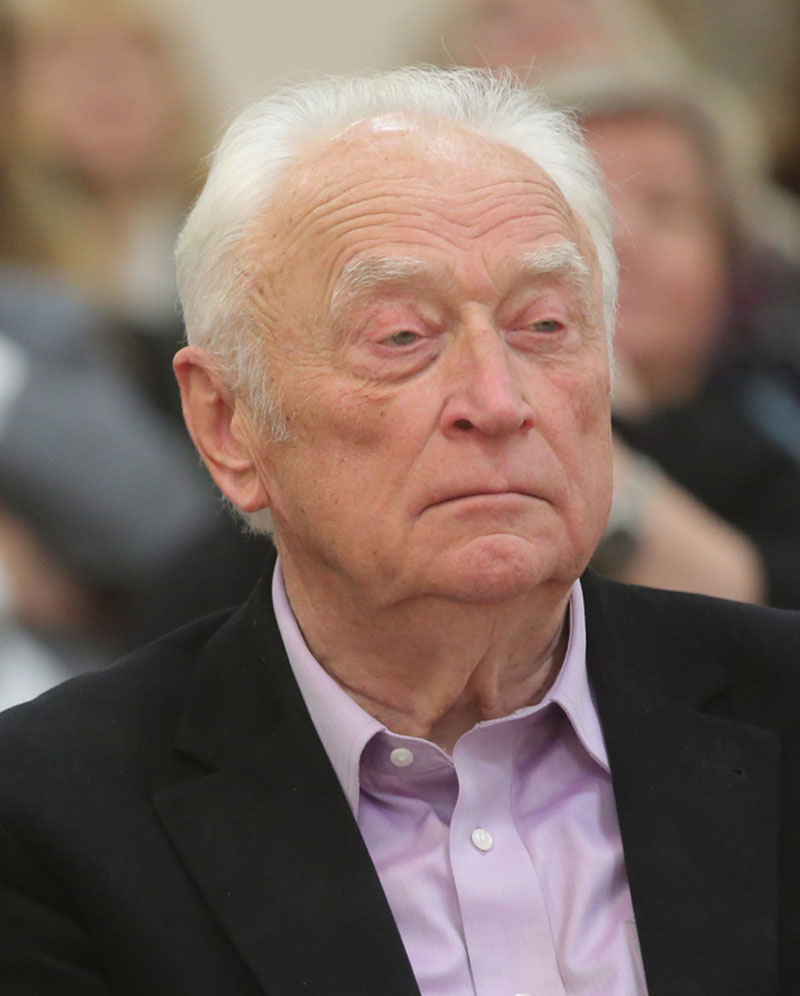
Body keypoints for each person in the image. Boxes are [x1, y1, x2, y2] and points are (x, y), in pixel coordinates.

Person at [0, 67, 798, 995]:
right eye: (402, 339)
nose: (497, 401)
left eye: (544, 325)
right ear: (227, 423)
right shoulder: (56, 817)